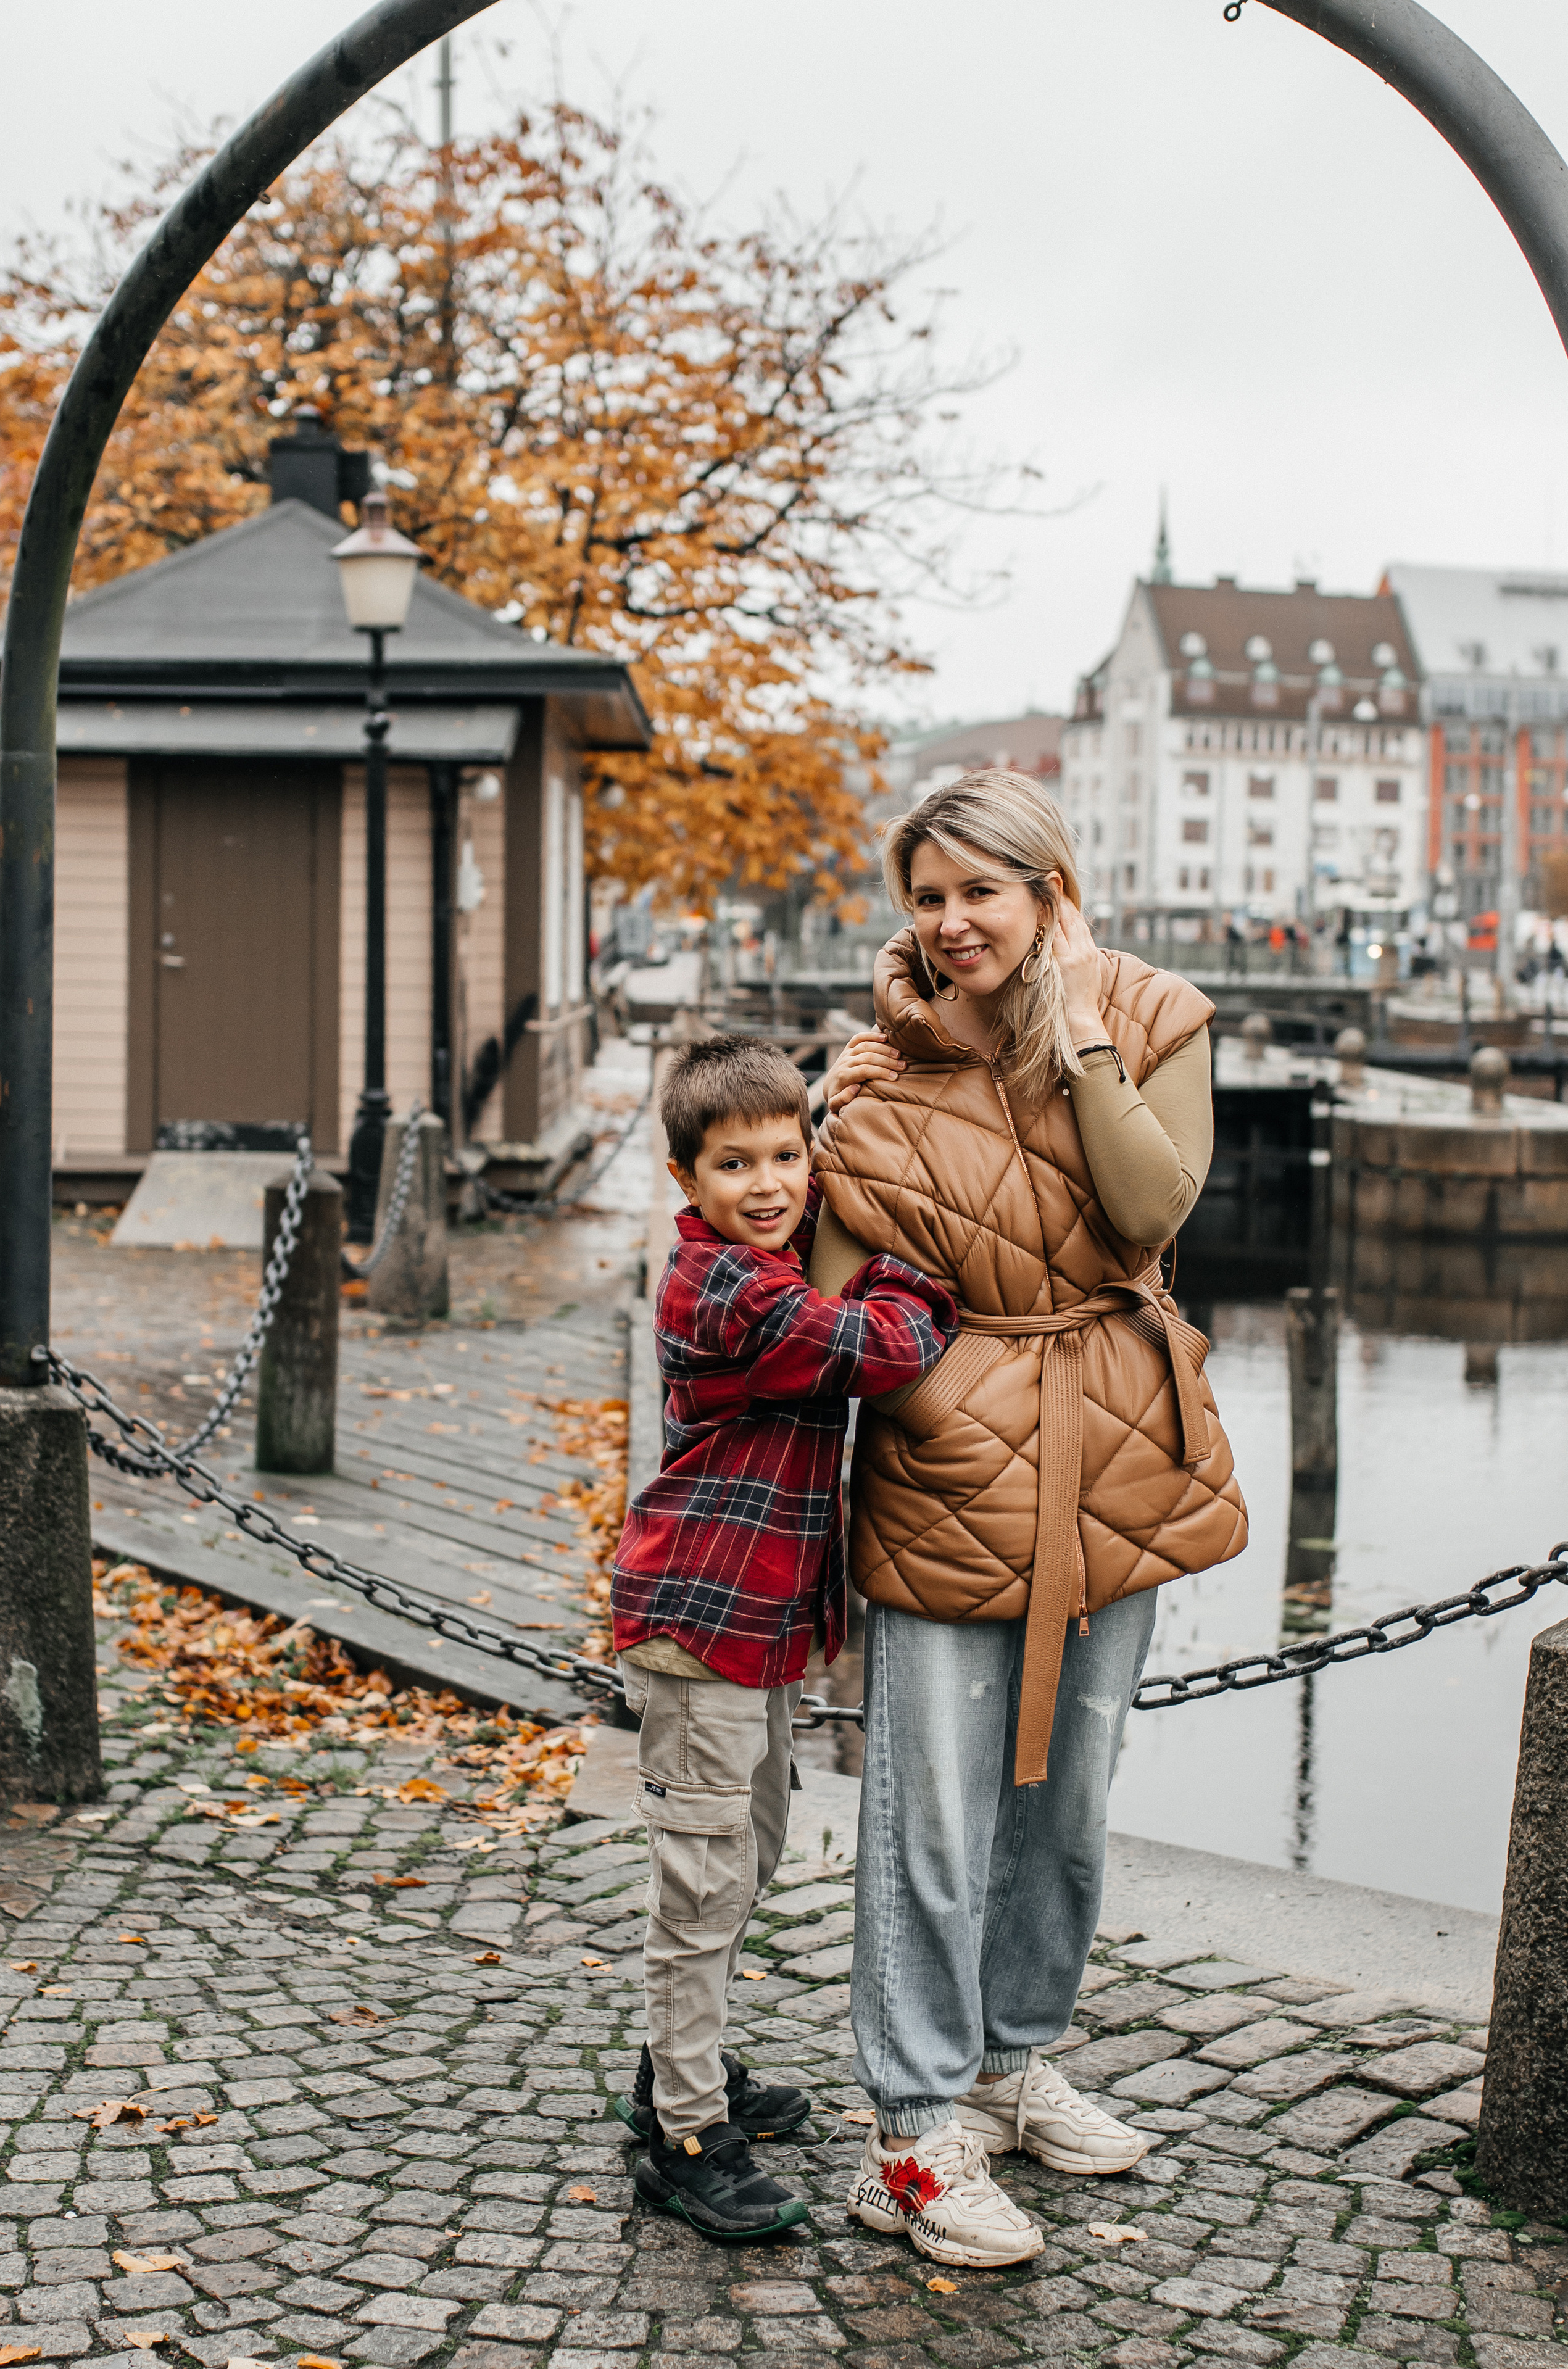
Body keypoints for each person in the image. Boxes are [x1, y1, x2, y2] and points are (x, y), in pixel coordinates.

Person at [811, 769, 1247, 2270]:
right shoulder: (878, 1074)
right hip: (948, 1462)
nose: (949, 923)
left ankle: (1007, 2063)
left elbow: (1148, 1214)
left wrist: (1076, 1039)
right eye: (925, 897)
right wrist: (930, 1387)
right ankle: (909, 2129)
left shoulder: (1154, 1014)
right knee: (930, 1810)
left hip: (1116, 1452)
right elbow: (831, 1295)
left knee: (1064, 1795)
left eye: (979, 892)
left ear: (1047, 893)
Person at [610, 1034, 958, 2240]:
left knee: (745, 1855)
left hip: (755, 1627)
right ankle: (682, 2137)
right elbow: (881, 1348)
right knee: (702, 1886)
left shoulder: (777, 1255)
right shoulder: (724, 1288)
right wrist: (913, 1277)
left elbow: (830, 1256)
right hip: (702, 1620)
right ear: (684, 1177)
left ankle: (676, 2066)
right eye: (733, 1163)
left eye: (785, 1156)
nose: (767, 1184)